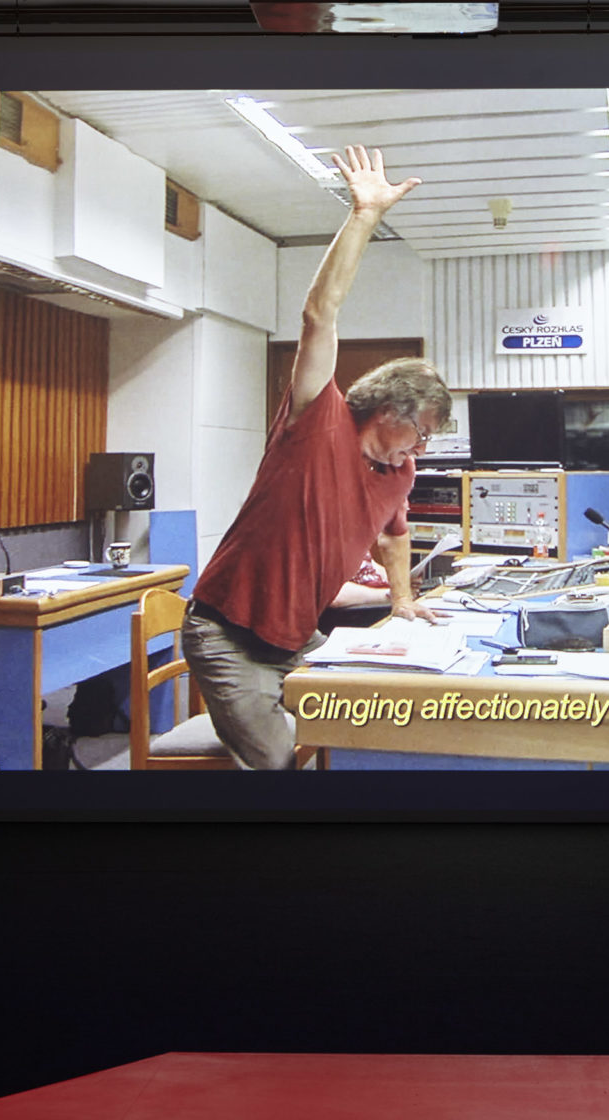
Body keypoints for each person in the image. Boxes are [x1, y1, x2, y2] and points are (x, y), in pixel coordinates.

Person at [181, 145, 452, 770]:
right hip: (228, 633)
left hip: (297, 634)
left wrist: (405, 601)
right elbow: (318, 314)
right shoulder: (317, 419)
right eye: (422, 432)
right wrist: (364, 215)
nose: (422, 449)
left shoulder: (399, 472)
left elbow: (394, 536)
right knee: (279, 762)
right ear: (390, 410)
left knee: (370, 721)